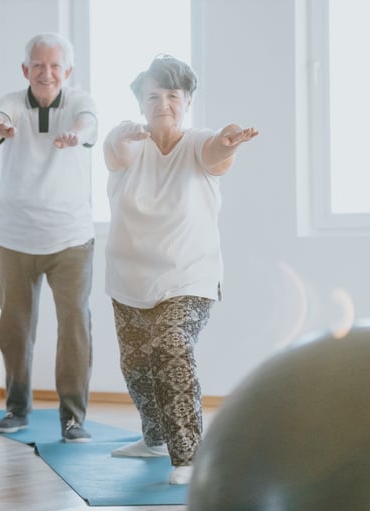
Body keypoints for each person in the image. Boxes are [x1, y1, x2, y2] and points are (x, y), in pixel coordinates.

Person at [103, 55, 258, 485]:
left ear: (188, 100)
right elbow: (114, 154)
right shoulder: (127, 144)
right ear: (140, 102)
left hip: (187, 279)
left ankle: (190, 457)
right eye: (153, 95)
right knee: (136, 370)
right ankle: (153, 437)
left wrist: (229, 141)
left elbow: (216, 154)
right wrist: (120, 139)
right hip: (128, 281)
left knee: (171, 345)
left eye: (174, 95)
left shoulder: (198, 143)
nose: (164, 102)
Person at [0, 33, 97, 442]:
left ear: (67, 71)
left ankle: (73, 417)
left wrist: (77, 135)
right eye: (38, 65)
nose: (46, 73)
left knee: (74, 327)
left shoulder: (79, 102)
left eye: (54, 66)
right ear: (25, 69)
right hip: (16, 236)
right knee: (14, 329)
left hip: (70, 238)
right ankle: (16, 408)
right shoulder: (12, 102)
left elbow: (88, 125)